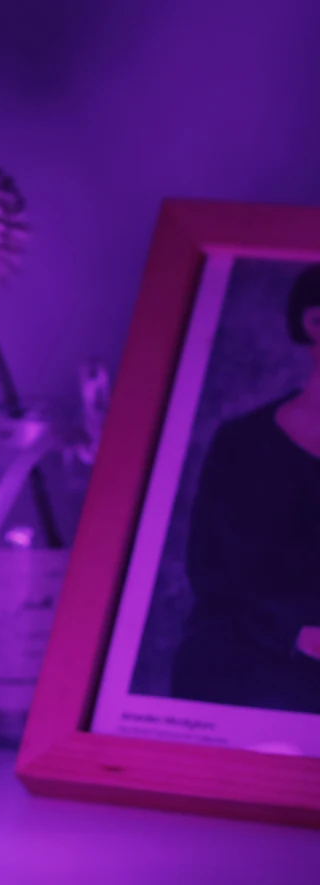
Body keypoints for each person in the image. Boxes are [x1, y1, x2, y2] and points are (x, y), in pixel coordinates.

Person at [171, 264, 320, 714]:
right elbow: (212, 570)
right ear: (314, 323)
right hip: (257, 659)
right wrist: (295, 633)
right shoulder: (244, 444)